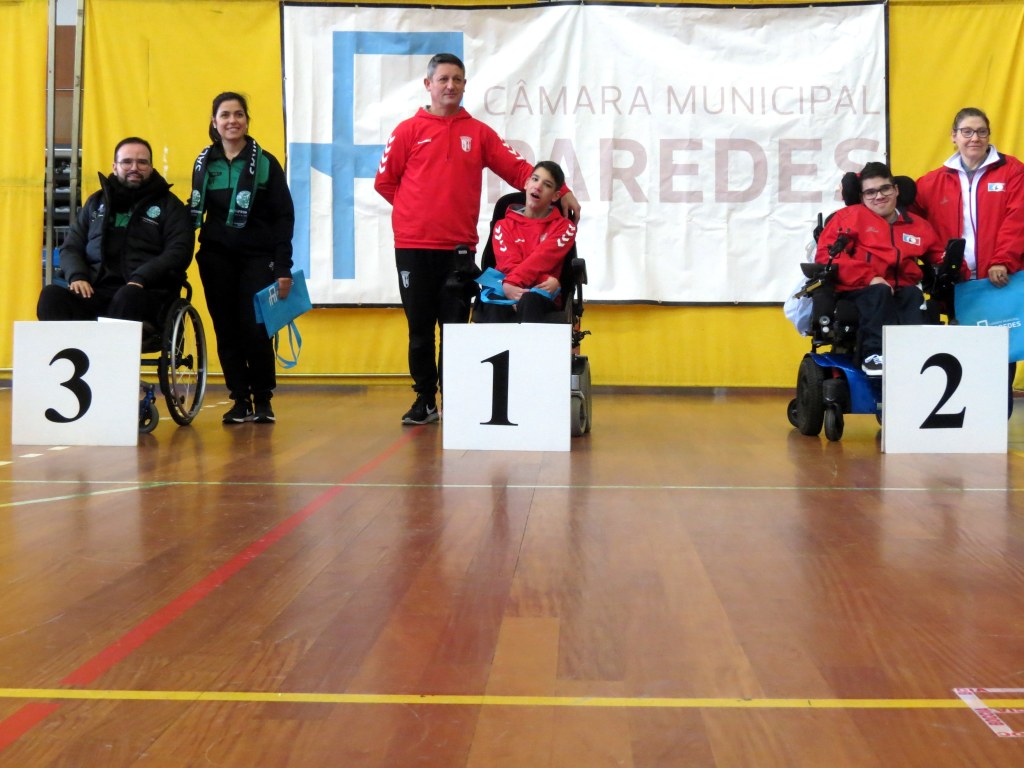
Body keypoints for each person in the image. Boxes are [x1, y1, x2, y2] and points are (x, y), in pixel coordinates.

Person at [374, 52, 581, 425]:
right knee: (419, 330)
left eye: (457, 79)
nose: (450, 86)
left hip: (457, 251)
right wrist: (415, 215)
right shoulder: (407, 131)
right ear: (428, 85)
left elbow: (520, 169)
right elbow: (385, 182)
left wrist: (562, 190)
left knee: (454, 331)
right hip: (413, 248)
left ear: (465, 85)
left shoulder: (479, 133)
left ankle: (457, 403)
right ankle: (425, 400)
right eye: (443, 79)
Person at [190, 92, 295, 424]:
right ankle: (239, 399)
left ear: (247, 120)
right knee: (226, 329)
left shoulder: (265, 163)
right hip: (216, 258)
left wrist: (283, 265)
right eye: (225, 115)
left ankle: (263, 398)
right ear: (214, 122)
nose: (232, 121)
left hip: (258, 257)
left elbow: (284, 217)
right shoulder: (204, 164)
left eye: (238, 114)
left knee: (255, 328)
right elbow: (193, 212)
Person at [912, 107, 1024, 411]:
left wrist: (1002, 260)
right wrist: (943, 263)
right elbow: (913, 222)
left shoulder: (1013, 171)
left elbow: (1018, 219)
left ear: (989, 135)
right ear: (954, 136)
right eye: (967, 132)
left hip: (997, 279)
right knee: (960, 348)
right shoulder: (931, 182)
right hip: (956, 281)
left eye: (981, 131)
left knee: (1001, 349)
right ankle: (964, 416)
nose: (975, 138)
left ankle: (996, 417)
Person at [37, 137, 193, 330]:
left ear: (151, 167)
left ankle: (109, 349)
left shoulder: (171, 205)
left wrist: (141, 278)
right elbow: (71, 247)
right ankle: (70, 350)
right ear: (114, 167)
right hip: (95, 290)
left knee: (128, 296)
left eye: (142, 162)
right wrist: (77, 276)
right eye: (127, 162)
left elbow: (179, 251)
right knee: (51, 296)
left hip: (146, 292)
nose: (134, 167)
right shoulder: (95, 203)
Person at [816, 161, 944, 376]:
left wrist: (955, 267)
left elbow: (939, 256)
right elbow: (827, 256)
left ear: (896, 189)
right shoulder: (849, 217)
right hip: (859, 289)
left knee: (913, 295)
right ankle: (874, 355)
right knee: (879, 292)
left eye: (885, 189)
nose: (879, 196)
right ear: (862, 196)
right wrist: (870, 278)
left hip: (902, 288)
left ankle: (918, 358)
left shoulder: (918, 225)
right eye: (870, 192)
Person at [474, 161, 577, 323]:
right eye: (535, 179)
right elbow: (508, 264)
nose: (538, 186)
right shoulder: (503, 225)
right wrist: (513, 286)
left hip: (540, 296)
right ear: (527, 183)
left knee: (529, 300)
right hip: (505, 286)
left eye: (547, 185)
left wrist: (513, 284)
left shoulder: (565, 228)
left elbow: (540, 260)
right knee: (494, 305)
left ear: (556, 196)